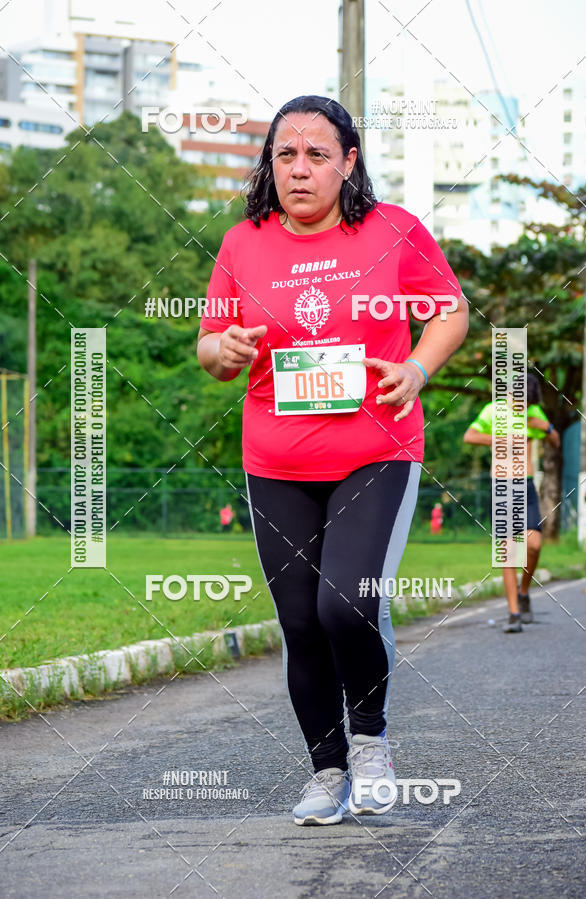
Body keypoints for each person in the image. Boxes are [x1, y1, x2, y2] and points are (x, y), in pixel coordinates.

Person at [197, 95, 468, 825]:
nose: (300, 169)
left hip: (376, 451)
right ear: (270, 165)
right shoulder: (242, 243)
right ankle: (326, 771)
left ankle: (371, 741)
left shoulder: (394, 232)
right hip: (276, 462)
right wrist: (221, 353)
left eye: (318, 154)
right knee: (300, 622)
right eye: (286, 154)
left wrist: (415, 369)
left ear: (349, 163)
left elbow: (450, 307)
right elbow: (211, 343)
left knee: (345, 602)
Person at [463, 373, 560, 633]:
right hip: (501, 485)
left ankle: (525, 590)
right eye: (521, 403)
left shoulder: (534, 411)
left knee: (534, 544)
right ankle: (514, 613)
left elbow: (556, 442)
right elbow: (469, 436)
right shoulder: (492, 410)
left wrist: (546, 428)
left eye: (528, 404)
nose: (524, 408)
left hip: (525, 485)